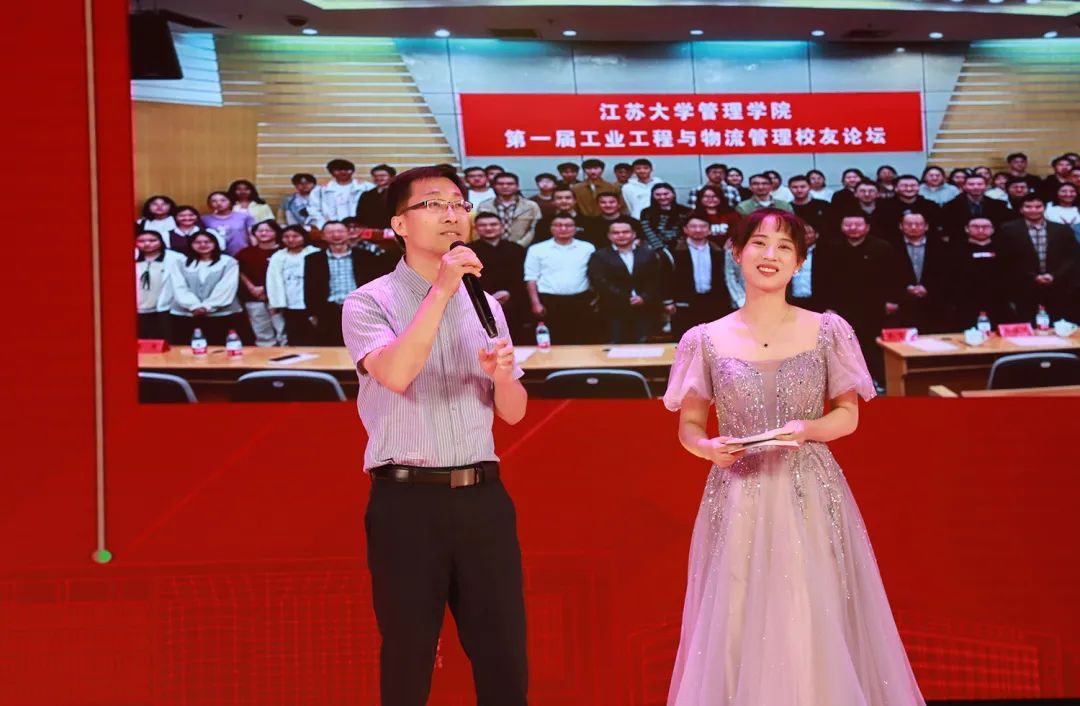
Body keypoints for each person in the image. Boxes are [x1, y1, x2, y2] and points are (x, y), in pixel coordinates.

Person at [663, 207, 925, 706]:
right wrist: (708, 448)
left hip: (810, 489)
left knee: (810, 605)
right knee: (737, 609)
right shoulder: (703, 339)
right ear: (736, 253)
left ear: (799, 262)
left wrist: (809, 430)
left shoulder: (828, 329)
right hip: (738, 493)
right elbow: (689, 427)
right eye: (759, 244)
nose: (771, 255)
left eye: (785, 247)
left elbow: (847, 415)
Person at [341, 165, 528, 706]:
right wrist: (443, 289)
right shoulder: (369, 301)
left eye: (459, 204)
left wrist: (502, 377)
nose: (452, 214)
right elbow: (397, 374)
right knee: (410, 652)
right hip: (407, 501)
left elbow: (513, 412)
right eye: (433, 203)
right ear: (400, 224)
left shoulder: (485, 303)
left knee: (504, 655)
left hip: (483, 498)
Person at [815, 212, 900, 383]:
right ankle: (847, 383)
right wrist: (828, 306)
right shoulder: (829, 247)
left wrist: (892, 300)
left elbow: (893, 276)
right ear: (841, 227)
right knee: (842, 345)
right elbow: (821, 279)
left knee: (872, 344)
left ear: (867, 227)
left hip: (874, 306)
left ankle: (875, 380)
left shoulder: (882, 247)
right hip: (841, 306)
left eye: (858, 225)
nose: (853, 228)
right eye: (848, 225)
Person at [305, 220, 397, 345]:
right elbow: (309, 288)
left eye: (340, 231)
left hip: (360, 309)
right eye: (330, 232)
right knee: (330, 348)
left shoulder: (366, 257)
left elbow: (377, 285)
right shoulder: (313, 260)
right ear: (323, 236)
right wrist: (312, 314)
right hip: (328, 311)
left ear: (348, 233)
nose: (336, 235)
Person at [997, 194, 1080, 321]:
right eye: (1028, 207)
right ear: (1021, 209)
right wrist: (1033, 277)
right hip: (1024, 287)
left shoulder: (1061, 229)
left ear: (1044, 208)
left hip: (1057, 285)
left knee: (1059, 324)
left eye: (1038, 207)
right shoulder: (1007, 229)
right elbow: (1006, 260)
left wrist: (1054, 275)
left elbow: (1071, 257)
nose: (1033, 210)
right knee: (1027, 324)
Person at [524, 211, 596, 344]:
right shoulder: (537, 249)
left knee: (582, 340)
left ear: (575, 228)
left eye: (568, 225)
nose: (563, 229)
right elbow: (531, 278)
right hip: (549, 301)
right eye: (558, 225)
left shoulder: (587, 248)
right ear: (551, 228)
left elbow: (594, 274)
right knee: (554, 341)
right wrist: (535, 303)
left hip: (581, 300)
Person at [587, 219, 663, 343]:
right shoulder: (599, 256)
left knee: (645, 347)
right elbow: (600, 282)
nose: (621, 235)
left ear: (634, 234)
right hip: (614, 310)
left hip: (645, 309)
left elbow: (655, 279)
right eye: (616, 233)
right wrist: (626, 298)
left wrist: (644, 297)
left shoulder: (648, 254)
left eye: (625, 232)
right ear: (609, 236)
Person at [167, 231, 243, 345]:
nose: (202, 245)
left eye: (207, 242)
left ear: (215, 243)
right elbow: (178, 286)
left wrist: (208, 306)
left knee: (220, 347)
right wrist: (194, 306)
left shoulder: (228, 262)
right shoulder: (180, 262)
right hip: (186, 313)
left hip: (222, 314)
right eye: (197, 242)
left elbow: (227, 286)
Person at [948, 217, 1019, 330]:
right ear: (966, 229)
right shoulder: (955, 249)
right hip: (966, 304)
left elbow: (1012, 275)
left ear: (993, 229)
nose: (981, 230)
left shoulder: (1004, 249)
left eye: (985, 227)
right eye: (975, 227)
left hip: (998, 303)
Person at [668, 213, 731, 337]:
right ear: (685, 229)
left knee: (713, 339)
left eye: (702, 226)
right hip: (685, 303)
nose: (698, 230)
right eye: (693, 226)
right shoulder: (674, 251)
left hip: (712, 302)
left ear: (709, 230)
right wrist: (668, 301)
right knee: (685, 340)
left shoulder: (717, 250)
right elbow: (666, 278)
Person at [468, 213, 528, 342]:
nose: (488, 228)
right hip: (481, 305)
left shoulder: (517, 249)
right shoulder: (468, 250)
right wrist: (489, 297)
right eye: (483, 225)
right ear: (476, 228)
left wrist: (509, 293)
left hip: (515, 303)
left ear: (502, 227)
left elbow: (523, 277)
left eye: (493, 224)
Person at [891, 213, 950, 333]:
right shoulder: (891, 246)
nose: (913, 227)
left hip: (934, 305)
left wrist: (928, 288)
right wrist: (906, 288)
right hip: (902, 305)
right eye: (909, 224)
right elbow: (887, 275)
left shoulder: (941, 247)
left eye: (918, 224)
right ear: (901, 226)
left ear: (926, 226)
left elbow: (947, 274)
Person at [266, 225, 320, 346]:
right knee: (294, 335)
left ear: (303, 237)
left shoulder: (314, 253)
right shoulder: (278, 256)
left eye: (295, 236)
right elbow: (273, 281)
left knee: (314, 335)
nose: (291, 240)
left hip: (311, 302)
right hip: (290, 303)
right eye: (286, 237)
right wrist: (275, 302)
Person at [236, 219, 286, 346]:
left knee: (283, 331)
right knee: (262, 332)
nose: (263, 233)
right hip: (253, 298)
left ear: (276, 232)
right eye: (260, 231)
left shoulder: (283, 252)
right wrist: (251, 287)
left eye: (268, 230)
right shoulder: (245, 253)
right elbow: (239, 272)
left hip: (279, 298)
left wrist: (265, 289)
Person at [135, 229, 184, 340]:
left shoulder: (176, 258)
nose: (147, 244)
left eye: (152, 240)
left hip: (166, 308)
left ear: (161, 241)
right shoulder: (129, 256)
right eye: (141, 241)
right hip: (138, 308)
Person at [477, 172, 542, 248]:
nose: (505, 186)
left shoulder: (531, 206)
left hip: (522, 248)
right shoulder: (485, 206)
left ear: (517, 186)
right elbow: (479, 228)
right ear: (494, 186)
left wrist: (518, 246)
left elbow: (534, 229)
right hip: (490, 248)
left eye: (510, 184)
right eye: (500, 184)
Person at [941, 173, 1011, 241]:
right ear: (964, 186)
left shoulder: (998, 205)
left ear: (986, 186)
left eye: (980, 184)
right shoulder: (950, 206)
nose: (976, 187)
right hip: (961, 242)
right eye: (971, 184)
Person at [640, 183, 691, 253]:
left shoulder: (685, 211)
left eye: (666, 194)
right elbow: (649, 233)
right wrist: (662, 250)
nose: (662, 197)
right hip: (656, 250)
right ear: (652, 196)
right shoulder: (646, 212)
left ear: (673, 194)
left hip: (682, 248)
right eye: (658, 195)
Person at [200, 191, 254, 256]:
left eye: (223, 200)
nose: (219, 203)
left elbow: (252, 235)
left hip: (242, 253)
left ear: (230, 202)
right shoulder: (204, 219)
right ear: (209, 204)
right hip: (216, 255)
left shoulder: (244, 216)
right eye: (214, 201)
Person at [786, 222, 822, 312]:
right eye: (802, 233)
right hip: (792, 301)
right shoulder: (788, 253)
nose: (805, 236)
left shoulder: (825, 254)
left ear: (817, 235)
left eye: (809, 233)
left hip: (817, 302)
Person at [355, 164, 397, 229]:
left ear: (392, 177)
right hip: (371, 229)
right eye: (375, 176)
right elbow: (360, 214)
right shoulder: (366, 195)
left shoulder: (399, 193)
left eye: (382, 176)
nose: (378, 178)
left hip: (392, 230)